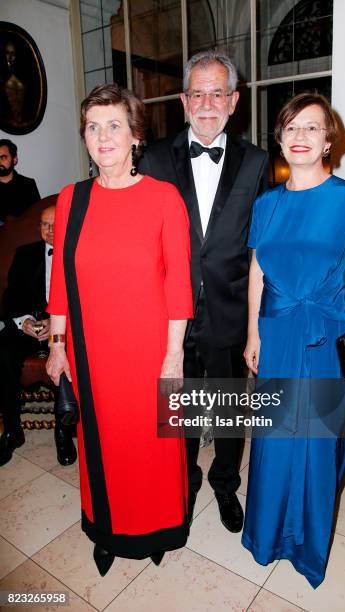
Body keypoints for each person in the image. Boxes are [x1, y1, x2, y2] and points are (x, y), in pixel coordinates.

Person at [46, 83, 193, 576]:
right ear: (84, 136)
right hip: (92, 352)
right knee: (101, 443)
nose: (103, 136)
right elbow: (62, 281)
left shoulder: (164, 198)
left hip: (150, 349)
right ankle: (106, 529)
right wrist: (57, 343)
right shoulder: (72, 199)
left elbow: (178, 285)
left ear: (135, 136)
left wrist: (173, 357)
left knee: (151, 445)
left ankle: (154, 530)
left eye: (114, 126)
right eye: (93, 126)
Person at [241, 92, 345, 588]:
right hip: (277, 332)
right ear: (279, 139)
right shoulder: (266, 204)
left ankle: (305, 544)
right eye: (291, 127)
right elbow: (257, 271)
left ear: (328, 140)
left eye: (311, 127)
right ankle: (267, 533)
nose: (300, 136)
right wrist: (252, 332)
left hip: (325, 334)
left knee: (320, 441)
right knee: (275, 437)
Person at [139, 50, 269, 533]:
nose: (208, 103)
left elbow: (261, 245)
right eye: (198, 93)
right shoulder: (153, 157)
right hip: (169, 312)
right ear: (183, 100)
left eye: (218, 93)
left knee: (230, 407)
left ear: (234, 102)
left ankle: (224, 483)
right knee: (179, 406)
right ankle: (184, 478)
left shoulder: (256, 162)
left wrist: (258, 322)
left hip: (230, 308)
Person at [0, 205, 76, 467]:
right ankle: (12, 430)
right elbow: (10, 299)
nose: (51, 230)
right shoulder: (25, 254)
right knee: (3, 351)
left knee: (73, 353)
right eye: (45, 224)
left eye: (56, 224)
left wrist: (56, 324)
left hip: (66, 328)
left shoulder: (79, 253)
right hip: (30, 327)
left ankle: (63, 432)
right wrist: (25, 322)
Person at [0, 139, 40, 223]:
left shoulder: (28, 184)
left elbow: (37, 216)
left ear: (14, 160)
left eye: (3, 158)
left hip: (23, 233)